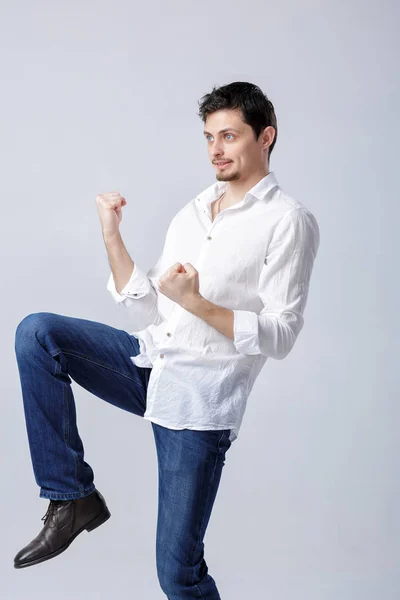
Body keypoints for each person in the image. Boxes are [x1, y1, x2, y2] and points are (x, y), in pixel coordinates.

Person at [13, 81, 320, 598]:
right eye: (208, 138)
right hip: (150, 363)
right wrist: (112, 234)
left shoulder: (288, 221)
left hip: (200, 402)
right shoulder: (197, 209)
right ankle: (71, 498)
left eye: (228, 136)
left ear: (265, 137)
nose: (215, 150)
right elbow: (149, 302)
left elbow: (282, 334)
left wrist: (199, 303)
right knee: (37, 333)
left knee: (177, 573)